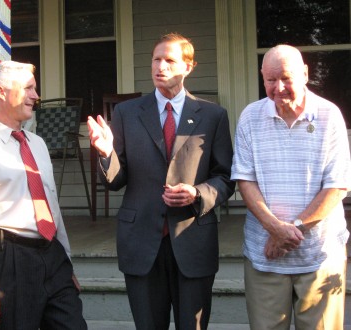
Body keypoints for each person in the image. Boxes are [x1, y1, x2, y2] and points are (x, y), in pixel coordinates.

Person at [88, 33, 235, 329]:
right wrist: (106, 154)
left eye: (170, 60)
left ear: (188, 67)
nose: (161, 66)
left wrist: (197, 193)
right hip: (141, 242)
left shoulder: (212, 115)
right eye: (156, 59)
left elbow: (226, 177)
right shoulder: (127, 113)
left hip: (192, 240)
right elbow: (117, 180)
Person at [0, 61, 87, 329]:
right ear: (2, 92)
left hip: (53, 257)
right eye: (28, 88)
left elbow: (50, 206)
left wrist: (66, 262)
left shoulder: (36, 144)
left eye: (34, 89)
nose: (36, 96)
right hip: (10, 261)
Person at [231, 44, 351, 329]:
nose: (279, 87)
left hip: (319, 255)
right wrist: (273, 228)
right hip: (265, 256)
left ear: (305, 74)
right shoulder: (250, 116)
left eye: (286, 78)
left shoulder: (328, 115)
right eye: (271, 80)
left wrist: (289, 232)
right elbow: (245, 180)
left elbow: (336, 187)